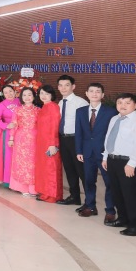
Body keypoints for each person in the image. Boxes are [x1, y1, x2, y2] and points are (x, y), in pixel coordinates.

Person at [101, 94, 136, 236]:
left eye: (127, 103)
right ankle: (123, 219)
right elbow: (108, 138)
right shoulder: (115, 119)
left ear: (135, 105)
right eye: (120, 102)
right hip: (112, 159)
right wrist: (105, 157)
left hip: (128, 162)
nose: (123, 105)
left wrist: (132, 163)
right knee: (117, 192)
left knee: (131, 194)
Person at [75, 83, 118, 220]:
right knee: (88, 180)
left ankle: (110, 210)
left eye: (98, 91)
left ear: (102, 95)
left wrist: (109, 152)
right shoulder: (80, 111)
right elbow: (79, 133)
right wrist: (79, 150)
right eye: (91, 91)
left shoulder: (111, 112)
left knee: (109, 181)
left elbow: (113, 134)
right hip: (87, 153)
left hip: (104, 153)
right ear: (86, 94)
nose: (94, 94)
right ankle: (90, 206)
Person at [56, 75, 88, 206]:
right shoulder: (60, 102)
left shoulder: (81, 103)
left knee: (82, 171)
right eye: (61, 85)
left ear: (73, 86)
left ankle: (89, 201)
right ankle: (74, 196)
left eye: (67, 85)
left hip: (77, 139)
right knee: (69, 169)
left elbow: (87, 125)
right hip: (63, 139)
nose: (63, 88)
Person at [8, 87, 39, 197]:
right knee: (21, 163)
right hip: (21, 138)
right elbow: (14, 124)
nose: (27, 97)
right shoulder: (18, 109)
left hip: (35, 139)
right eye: (24, 95)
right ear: (21, 97)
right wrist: (11, 138)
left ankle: (33, 187)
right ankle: (22, 187)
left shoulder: (38, 110)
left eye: (29, 94)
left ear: (34, 96)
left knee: (33, 163)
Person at [34, 86, 62, 203]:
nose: (43, 96)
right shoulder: (44, 107)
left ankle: (53, 195)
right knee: (44, 168)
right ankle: (45, 192)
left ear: (52, 95)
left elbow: (55, 126)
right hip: (42, 141)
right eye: (41, 93)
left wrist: (53, 144)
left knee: (52, 168)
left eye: (46, 94)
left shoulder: (53, 107)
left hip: (50, 143)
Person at [0, 85, 20, 186]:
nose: (9, 94)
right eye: (6, 92)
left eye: (10, 91)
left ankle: (20, 182)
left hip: (21, 132)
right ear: (3, 95)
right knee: (9, 157)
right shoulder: (1, 105)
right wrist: (6, 125)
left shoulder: (20, 101)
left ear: (14, 91)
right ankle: (9, 181)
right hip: (9, 133)